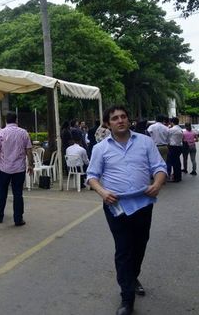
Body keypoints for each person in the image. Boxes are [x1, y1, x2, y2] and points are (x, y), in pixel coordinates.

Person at [86, 105, 167, 315]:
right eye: (115, 118)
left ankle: (132, 276)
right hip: (116, 206)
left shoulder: (145, 142)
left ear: (128, 120)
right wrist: (103, 193)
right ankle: (127, 298)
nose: (120, 120)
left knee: (140, 245)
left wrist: (157, 184)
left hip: (143, 204)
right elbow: (92, 176)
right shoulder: (100, 148)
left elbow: (159, 167)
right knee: (123, 249)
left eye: (123, 116)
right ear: (108, 123)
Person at [0, 112, 33, 226]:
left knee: (1, 192)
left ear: (6, 121)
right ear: (16, 120)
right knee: (18, 194)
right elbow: (29, 150)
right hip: (19, 169)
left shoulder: (1, 133)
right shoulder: (23, 133)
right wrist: (30, 165)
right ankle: (18, 219)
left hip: (4, 168)